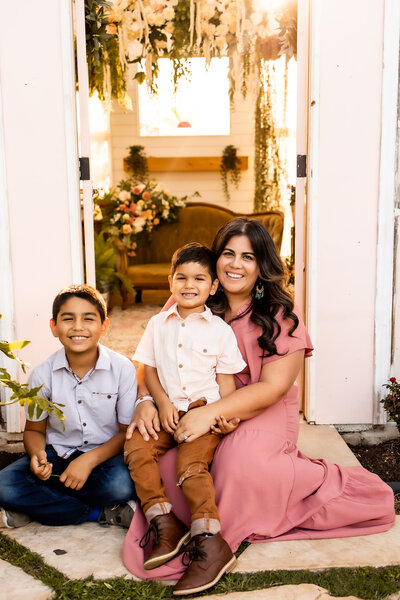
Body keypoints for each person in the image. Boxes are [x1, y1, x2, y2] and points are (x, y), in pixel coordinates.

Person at [122, 218, 395, 588]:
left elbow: (272, 388)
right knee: (166, 460)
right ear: (215, 262)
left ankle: (214, 541)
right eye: (228, 254)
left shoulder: (281, 317)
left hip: (260, 407)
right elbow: (151, 355)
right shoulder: (193, 292)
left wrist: (212, 414)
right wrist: (146, 400)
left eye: (248, 257)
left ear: (262, 264)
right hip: (193, 404)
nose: (236, 264)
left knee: (238, 466)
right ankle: (171, 527)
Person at [124, 243, 246, 595]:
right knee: (136, 449)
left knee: (191, 469)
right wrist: (159, 403)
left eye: (198, 278)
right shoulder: (157, 323)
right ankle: (164, 522)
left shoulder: (220, 330)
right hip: (167, 412)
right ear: (170, 281)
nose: (188, 284)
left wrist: (223, 417)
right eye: (181, 277)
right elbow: (146, 370)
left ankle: (210, 539)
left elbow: (227, 383)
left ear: (213, 286)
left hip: (202, 415)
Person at [0, 284, 137, 529]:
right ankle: (98, 513)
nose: (77, 327)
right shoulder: (42, 374)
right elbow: (34, 430)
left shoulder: (122, 368)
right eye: (67, 319)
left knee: (121, 485)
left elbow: (125, 432)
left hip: (104, 457)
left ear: (104, 326)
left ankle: (36, 507)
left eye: (88, 318)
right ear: (54, 327)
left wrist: (89, 461)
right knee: (4, 485)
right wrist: (37, 456)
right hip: (58, 456)